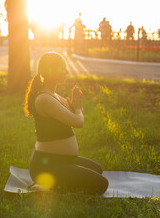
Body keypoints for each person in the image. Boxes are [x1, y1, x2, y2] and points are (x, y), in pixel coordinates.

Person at [24, 52, 109, 195]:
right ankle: (48, 185)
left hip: (63, 160)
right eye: (63, 68)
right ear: (51, 71)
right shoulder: (44, 99)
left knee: (98, 169)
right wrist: (78, 107)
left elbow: (73, 114)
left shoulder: (55, 96)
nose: (67, 71)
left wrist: (75, 105)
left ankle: (58, 181)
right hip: (47, 166)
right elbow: (78, 121)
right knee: (101, 184)